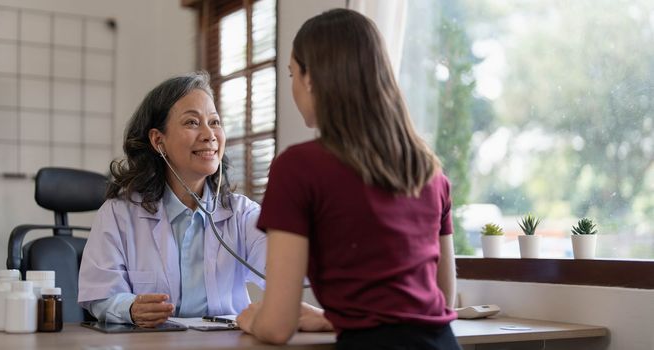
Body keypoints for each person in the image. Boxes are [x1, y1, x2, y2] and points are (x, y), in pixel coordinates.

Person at [237, 8, 461, 350]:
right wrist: (332, 317)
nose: (294, 86)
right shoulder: (428, 171)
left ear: (311, 79)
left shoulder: (298, 168)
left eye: (292, 74)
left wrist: (252, 320)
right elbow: (441, 301)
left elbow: (278, 326)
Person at [78, 72, 266, 327]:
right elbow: (99, 294)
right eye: (192, 122)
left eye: (215, 122)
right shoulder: (119, 214)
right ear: (158, 141)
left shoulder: (242, 213)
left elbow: (285, 271)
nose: (209, 135)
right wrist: (130, 308)